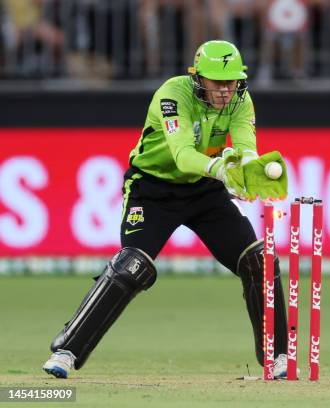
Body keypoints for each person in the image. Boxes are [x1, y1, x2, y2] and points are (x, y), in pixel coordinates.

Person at [42, 40, 290, 379]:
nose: (225, 90)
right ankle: (68, 350)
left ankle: (277, 358)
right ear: (198, 77)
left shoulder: (241, 100)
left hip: (204, 192)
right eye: (218, 82)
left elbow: (246, 147)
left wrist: (244, 174)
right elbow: (182, 155)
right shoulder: (173, 95)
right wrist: (221, 170)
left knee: (259, 261)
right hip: (152, 190)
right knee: (132, 266)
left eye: (232, 81)